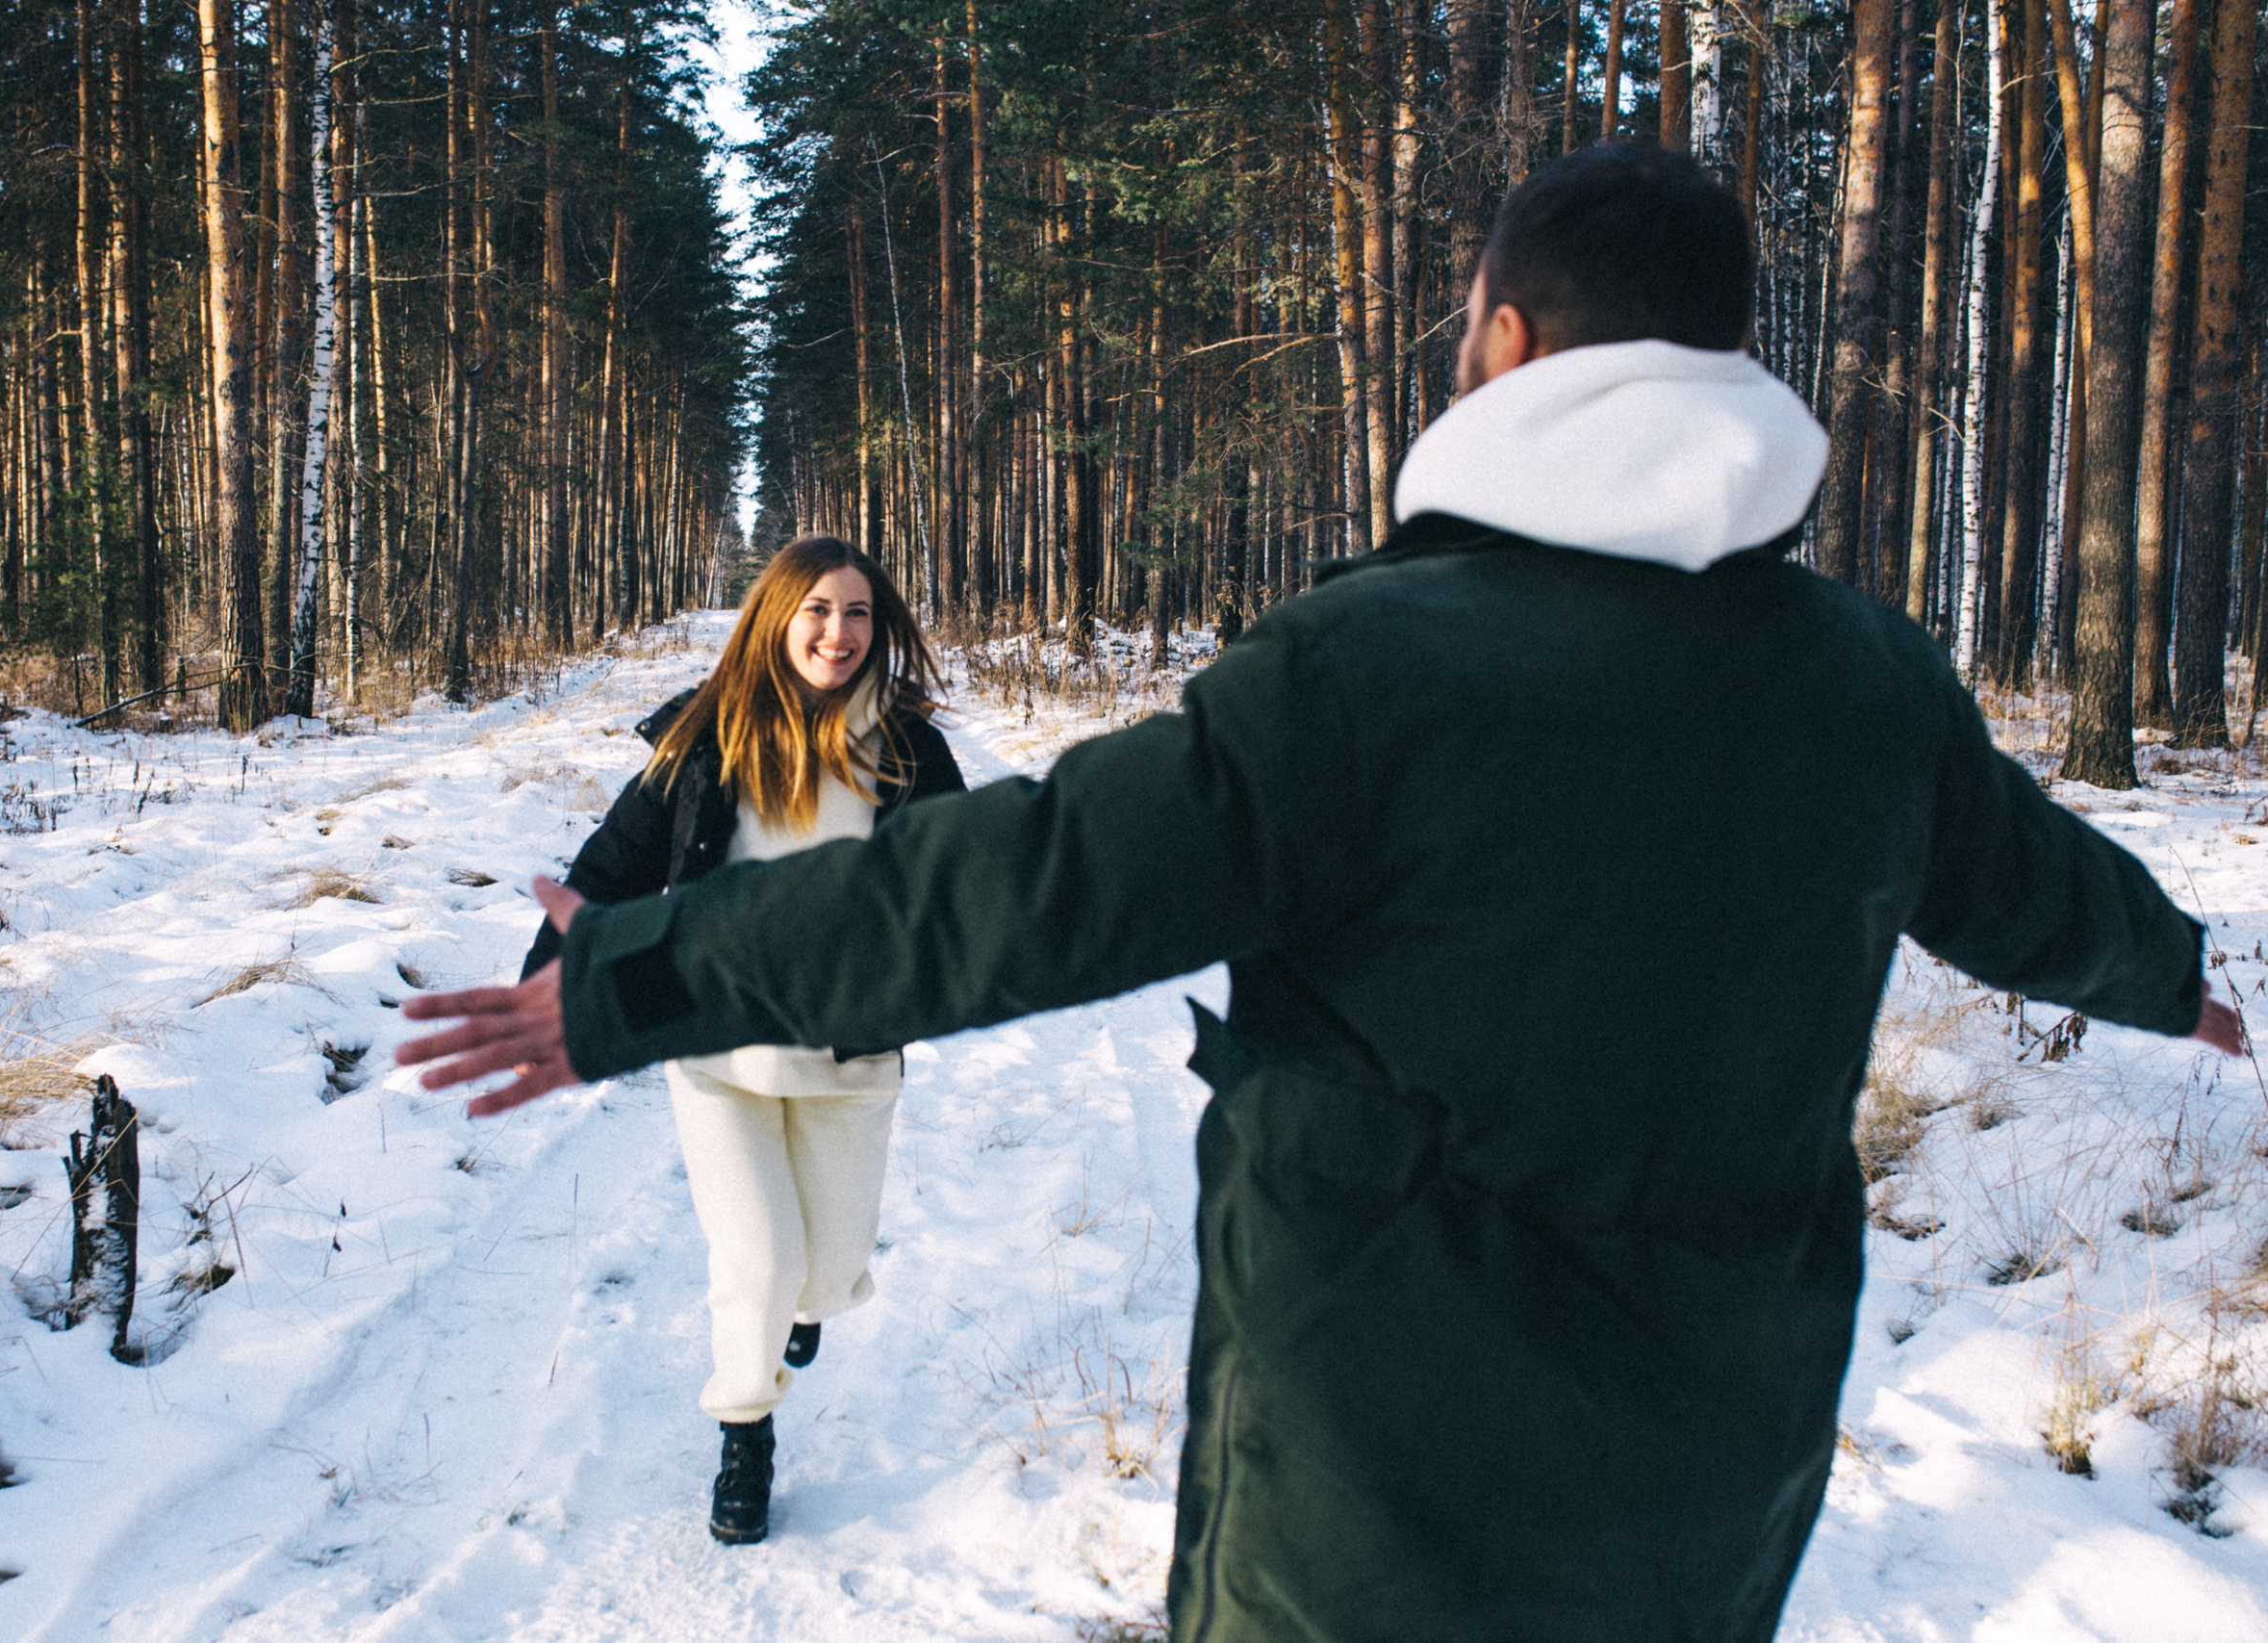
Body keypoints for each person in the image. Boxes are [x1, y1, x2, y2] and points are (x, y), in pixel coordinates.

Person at [400, 146, 2240, 1640]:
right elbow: (2029, 880)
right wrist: (2174, 970)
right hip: (1713, 1472)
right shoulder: (1867, 678)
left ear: (1505, 348)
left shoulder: (1371, 670)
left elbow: (1019, 883)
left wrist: (639, 978)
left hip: (1370, 1485)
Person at [516, 534, 964, 1545]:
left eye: (856, 613)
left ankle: (807, 1300)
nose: (837, 633)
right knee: (755, 1264)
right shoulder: (708, 736)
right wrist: (546, 990)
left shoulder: (905, 749)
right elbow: (609, 868)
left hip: (850, 1054)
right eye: (815, 610)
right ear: (774, 618)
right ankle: (746, 1435)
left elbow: (967, 876)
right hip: (716, 1052)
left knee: (827, 1267)